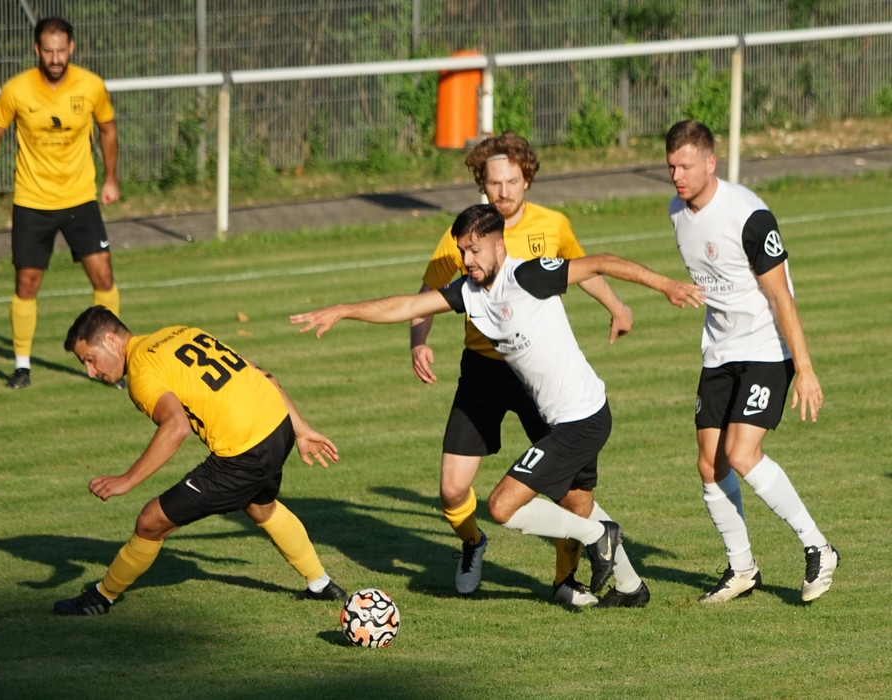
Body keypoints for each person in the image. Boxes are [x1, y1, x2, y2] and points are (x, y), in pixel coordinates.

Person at [292, 204, 704, 605]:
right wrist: (344, 310)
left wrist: (666, 286)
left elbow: (602, 262)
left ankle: (598, 536)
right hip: (569, 419)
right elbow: (407, 306)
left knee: (502, 506)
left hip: (582, 419)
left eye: (475, 249)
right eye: (462, 250)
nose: (467, 259)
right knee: (578, 503)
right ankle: (631, 587)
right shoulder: (469, 293)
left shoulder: (527, 275)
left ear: (499, 245)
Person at [411, 132, 635, 606]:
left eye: (512, 181)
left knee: (571, 491)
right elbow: (427, 293)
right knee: (452, 489)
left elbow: (582, 269)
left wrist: (616, 306)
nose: (504, 191)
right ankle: (472, 543)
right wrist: (419, 341)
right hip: (482, 371)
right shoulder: (464, 236)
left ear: (526, 180)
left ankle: (569, 580)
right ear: (482, 183)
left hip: (535, 376)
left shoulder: (552, 224)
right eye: (494, 183)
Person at [52, 306, 346, 616]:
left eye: (90, 359)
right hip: (277, 425)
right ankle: (321, 584)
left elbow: (176, 427)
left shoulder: (141, 369)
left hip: (245, 452)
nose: (90, 372)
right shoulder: (179, 332)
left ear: (111, 340)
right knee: (261, 507)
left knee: (151, 522)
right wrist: (299, 427)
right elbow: (259, 374)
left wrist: (127, 480)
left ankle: (102, 597)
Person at [665, 120, 839, 603]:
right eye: (671, 167)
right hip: (719, 351)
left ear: (710, 162)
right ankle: (742, 568)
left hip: (766, 348)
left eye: (686, 166)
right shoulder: (676, 212)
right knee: (709, 464)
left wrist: (804, 368)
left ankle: (819, 547)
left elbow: (781, 296)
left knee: (742, 454)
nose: (677, 176)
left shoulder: (750, 216)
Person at [0, 17, 121, 390]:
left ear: (72, 48)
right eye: (48, 51)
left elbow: (108, 129)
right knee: (27, 283)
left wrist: (111, 178)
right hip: (32, 201)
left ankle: (113, 362)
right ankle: (22, 366)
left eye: (61, 51)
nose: (55, 58)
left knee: (103, 277)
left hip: (80, 199)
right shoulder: (16, 90)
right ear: (36, 50)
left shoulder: (91, 85)